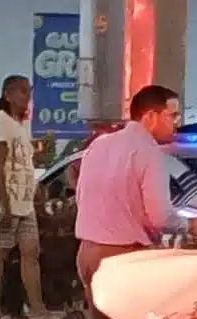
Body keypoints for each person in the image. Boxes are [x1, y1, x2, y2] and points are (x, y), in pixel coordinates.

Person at [70, 81, 182, 279]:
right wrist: (186, 224)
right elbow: (159, 215)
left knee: (96, 311)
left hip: (87, 254)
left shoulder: (99, 144)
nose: (177, 122)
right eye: (172, 115)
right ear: (150, 116)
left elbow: (81, 195)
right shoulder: (148, 152)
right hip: (123, 258)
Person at [0, 72, 41, 319]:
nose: (27, 97)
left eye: (28, 91)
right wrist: (4, 205)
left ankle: (38, 311)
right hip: (6, 202)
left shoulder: (19, 125)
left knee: (31, 253)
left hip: (25, 204)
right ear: (7, 95)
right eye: (22, 91)